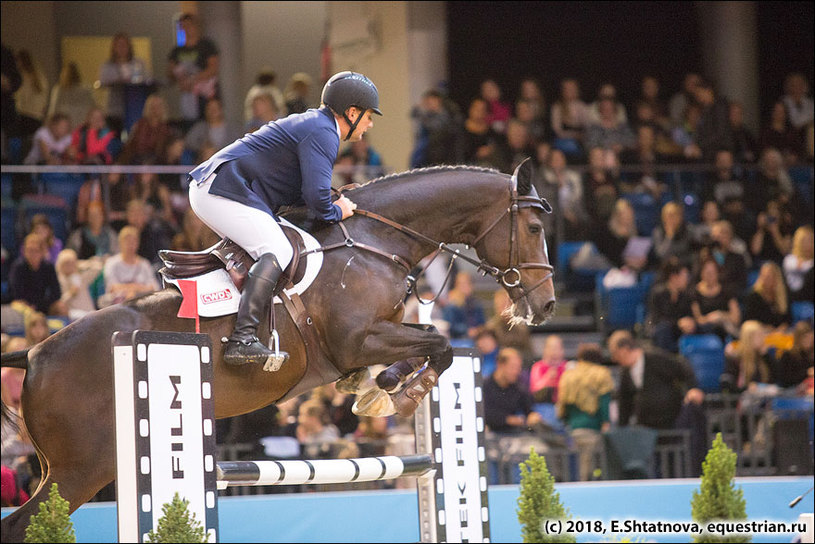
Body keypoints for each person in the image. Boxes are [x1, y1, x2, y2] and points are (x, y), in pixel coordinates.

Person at [187, 71, 379, 366]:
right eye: (368, 116)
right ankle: (243, 338)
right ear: (351, 112)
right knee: (278, 249)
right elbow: (317, 202)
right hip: (221, 189)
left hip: (224, 189)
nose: (370, 123)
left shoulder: (318, 125)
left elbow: (305, 195)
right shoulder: (323, 131)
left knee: (281, 243)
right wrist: (339, 209)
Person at [607, 330, 707, 473]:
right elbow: (625, 402)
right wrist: (622, 429)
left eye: (616, 354)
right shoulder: (626, 373)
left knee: (673, 462)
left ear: (624, 350)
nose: (615, 360)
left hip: (670, 420)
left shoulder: (655, 358)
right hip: (647, 428)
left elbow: (682, 368)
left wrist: (693, 388)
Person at [556, 343, 613, 481]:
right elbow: (604, 401)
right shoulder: (601, 374)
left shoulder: (568, 375)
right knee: (592, 469)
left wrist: (567, 421)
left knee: (577, 466)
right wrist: (606, 423)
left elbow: (562, 404)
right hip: (593, 428)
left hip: (573, 428)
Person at [168, 12, 220, 125]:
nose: (187, 29)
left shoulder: (207, 46)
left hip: (205, 95)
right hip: (186, 97)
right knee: (189, 123)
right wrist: (181, 80)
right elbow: (170, 72)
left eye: (189, 25)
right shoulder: (177, 51)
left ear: (196, 26)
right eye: (184, 26)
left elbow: (213, 68)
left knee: (207, 123)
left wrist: (193, 80)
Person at [98, 32, 150, 133]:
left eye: (124, 45)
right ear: (114, 47)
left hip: (135, 108)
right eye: (119, 45)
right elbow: (103, 81)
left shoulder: (139, 63)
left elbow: (147, 79)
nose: (122, 48)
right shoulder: (107, 66)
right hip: (115, 109)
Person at [482, 348, 542, 434]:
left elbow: (529, 409)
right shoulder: (485, 386)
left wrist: (532, 416)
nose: (516, 372)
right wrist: (508, 420)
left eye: (518, 368)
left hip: (512, 434)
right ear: (500, 365)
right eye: (512, 367)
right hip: (489, 432)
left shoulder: (518, 388)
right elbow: (484, 413)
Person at [98, 225, 159, 308]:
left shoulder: (144, 264)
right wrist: (136, 288)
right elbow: (112, 287)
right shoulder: (111, 262)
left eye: (133, 241)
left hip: (142, 304)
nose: (130, 245)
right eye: (127, 241)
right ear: (120, 243)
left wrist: (134, 291)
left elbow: (154, 287)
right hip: (117, 305)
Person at [646, 258, 696, 353]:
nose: (687, 279)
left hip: (680, 331)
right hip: (662, 331)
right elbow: (657, 318)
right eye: (684, 276)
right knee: (664, 329)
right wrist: (677, 323)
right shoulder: (658, 294)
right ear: (673, 277)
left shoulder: (686, 296)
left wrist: (690, 323)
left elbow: (689, 315)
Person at [8, 233, 63, 316]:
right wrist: (28, 305)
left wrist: (41, 305)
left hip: (44, 304)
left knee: (60, 306)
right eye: (28, 250)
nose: (31, 254)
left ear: (42, 252)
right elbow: (16, 293)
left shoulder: (48, 267)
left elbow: (56, 292)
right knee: (17, 305)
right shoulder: (18, 267)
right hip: (24, 305)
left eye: (35, 251)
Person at [690, 257, 741, 340]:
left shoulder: (727, 290)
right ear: (701, 273)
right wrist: (710, 318)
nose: (710, 276)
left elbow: (736, 318)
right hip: (706, 331)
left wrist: (721, 315)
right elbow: (697, 319)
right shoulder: (694, 292)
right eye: (707, 273)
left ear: (718, 273)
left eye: (712, 273)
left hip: (726, 328)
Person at [117, 94, 174, 165]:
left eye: (158, 106)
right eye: (153, 106)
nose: (155, 109)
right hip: (138, 158)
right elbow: (130, 145)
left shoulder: (167, 128)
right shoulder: (140, 125)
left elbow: (164, 151)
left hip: (157, 161)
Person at [721, 320, 775, 393]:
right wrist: (747, 388)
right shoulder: (735, 358)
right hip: (744, 398)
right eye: (759, 335)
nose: (763, 338)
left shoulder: (763, 357)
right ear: (749, 338)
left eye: (763, 335)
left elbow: (775, 379)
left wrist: (766, 356)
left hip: (765, 397)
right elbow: (729, 385)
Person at [55, 248, 103, 320]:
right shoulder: (59, 281)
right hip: (72, 316)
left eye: (72, 262)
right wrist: (70, 293)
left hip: (89, 312)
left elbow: (98, 267)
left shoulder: (81, 278)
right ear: (61, 265)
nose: (70, 266)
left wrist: (81, 264)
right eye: (67, 263)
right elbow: (59, 303)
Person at [46, 62, 96, 131]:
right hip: (81, 123)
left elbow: (53, 108)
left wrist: (48, 125)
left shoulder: (59, 90)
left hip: (64, 124)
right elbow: (92, 106)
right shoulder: (86, 89)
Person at [742, 261, 790, 331]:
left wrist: (783, 327)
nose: (765, 280)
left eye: (769, 277)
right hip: (760, 333)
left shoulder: (783, 296)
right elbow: (749, 321)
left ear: (776, 279)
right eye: (763, 276)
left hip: (780, 334)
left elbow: (788, 319)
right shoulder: (753, 297)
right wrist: (764, 327)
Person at [12, 49, 48, 141]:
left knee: (21, 145)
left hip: (24, 115)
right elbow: (44, 98)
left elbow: (20, 97)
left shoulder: (22, 78)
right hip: (37, 116)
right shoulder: (40, 77)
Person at [441, 271, 486, 341]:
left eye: (467, 283)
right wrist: (467, 330)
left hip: (477, 337)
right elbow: (449, 325)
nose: (464, 286)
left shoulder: (477, 303)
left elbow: (482, 322)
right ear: (456, 286)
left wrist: (478, 330)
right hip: (457, 338)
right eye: (461, 284)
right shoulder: (451, 305)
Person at [529, 335, 569, 403]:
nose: (553, 352)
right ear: (545, 350)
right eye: (550, 348)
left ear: (562, 350)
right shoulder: (537, 367)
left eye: (556, 348)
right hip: (543, 404)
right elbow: (533, 390)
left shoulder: (568, 367)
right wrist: (547, 378)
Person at [776, 321, 814, 389]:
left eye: (811, 338)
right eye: (806, 338)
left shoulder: (811, 355)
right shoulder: (788, 355)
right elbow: (785, 379)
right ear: (798, 338)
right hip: (791, 390)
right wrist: (807, 373)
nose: (809, 341)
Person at [783, 225, 814, 302]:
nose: (807, 244)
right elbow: (801, 267)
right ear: (797, 242)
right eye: (803, 240)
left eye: (810, 240)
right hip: (795, 297)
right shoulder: (790, 259)